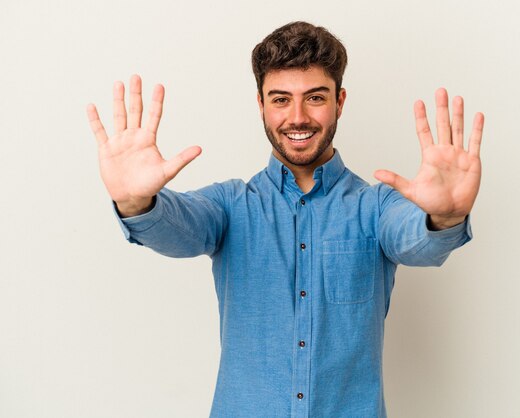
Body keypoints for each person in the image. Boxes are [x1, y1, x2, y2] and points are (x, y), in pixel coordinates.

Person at [86, 21, 484, 418]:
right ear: (260, 104)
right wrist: (137, 202)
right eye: (280, 99)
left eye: (315, 97)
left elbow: (415, 239)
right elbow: (178, 227)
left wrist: (445, 216)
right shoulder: (230, 205)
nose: (298, 117)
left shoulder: (376, 206)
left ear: (339, 102)